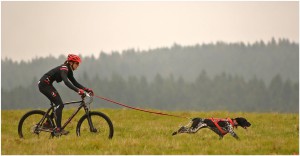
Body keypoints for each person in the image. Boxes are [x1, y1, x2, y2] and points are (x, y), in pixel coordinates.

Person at [38, 54, 93, 135]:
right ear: (71, 63)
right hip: (44, 85)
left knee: (59, 105)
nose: (78, 65)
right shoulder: (64, 68)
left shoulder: (69, 70)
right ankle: (58, 129)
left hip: (48, 85)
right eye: (77, 63)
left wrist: (86, 89)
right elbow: (66, 82)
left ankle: (47, 124)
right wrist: (78, 91)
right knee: (60, 105)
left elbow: (74, 82)